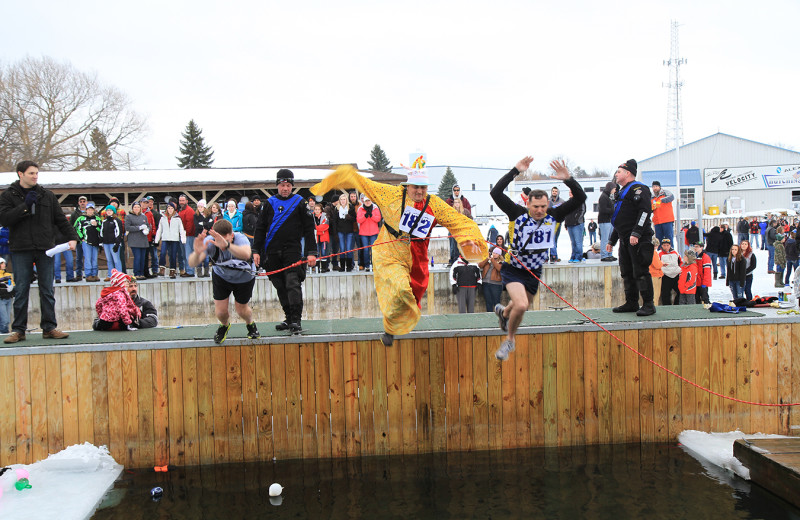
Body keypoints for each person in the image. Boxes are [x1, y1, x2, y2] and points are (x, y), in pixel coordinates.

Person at [310, 160, 486, 346]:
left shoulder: (434, 203)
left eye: (423, 188)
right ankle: (391, 329)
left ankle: (392, 327)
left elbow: (458, 221)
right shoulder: (391, 195)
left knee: (412, 294)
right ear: (407, 186)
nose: (419, 192)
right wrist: (338, 178)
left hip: (416, 257)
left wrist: (470, 239)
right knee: (401, 288)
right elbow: (364, 183)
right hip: (390, 252)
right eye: (415, 187)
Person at [491, 157, 586, 361]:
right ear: (528, 204)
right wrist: (515, 170)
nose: (540, 211)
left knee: (519, 307)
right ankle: (509, 340)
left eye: (543, 206)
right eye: (536, 207)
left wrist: (568, 178)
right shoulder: (516, 214)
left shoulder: (554, 215)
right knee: (522, 305)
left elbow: (580, 197)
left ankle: (505, 313)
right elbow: (495, 193)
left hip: (535, 271)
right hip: (514, 267)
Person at [0, 160, 77, 343]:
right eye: (31, 173)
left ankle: (49, 327)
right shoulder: (8, 195)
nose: (35, 176)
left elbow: (60, 219)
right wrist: (25, 206)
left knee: (47, 289)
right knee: (20, 290)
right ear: (20, 174)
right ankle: (19, 330)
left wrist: (72, 237)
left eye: (36, 173)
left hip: (45, 248)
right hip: (21, 248)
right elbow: (5, 219)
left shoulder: (46, 195)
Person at [253, 169, 318, 333]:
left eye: (288, 185)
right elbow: (260, 229)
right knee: (280, 286)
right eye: (282, 185)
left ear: (292, 186)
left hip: (292, 250)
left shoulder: (300, 202)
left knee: (292, 284)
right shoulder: (269, 203)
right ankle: (288, 319)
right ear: (277, 185)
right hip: (272, 252)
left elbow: (310, 229)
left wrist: (312, 252)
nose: (285, 188)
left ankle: (296, 320)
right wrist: (256, 251)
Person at [189, 219, 259, 343]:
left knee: (241, 309)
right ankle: (225, 325)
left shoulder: (240, 238)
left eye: (225, 240)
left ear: (232, 235)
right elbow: (192, 263)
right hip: (222, 277)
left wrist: (227, 245)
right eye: (218, 241)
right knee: (221, 312)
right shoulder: (210, 242)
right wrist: (197, 253)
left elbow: (247, 254)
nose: (219, 244)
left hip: (244, 278)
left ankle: (250, 323)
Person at [605, 159, 656, 316]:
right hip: (624, 237)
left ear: (628, 173)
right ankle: (632, 302)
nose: (616, 174)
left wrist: (637, 233)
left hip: (638, 238)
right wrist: (612, 240)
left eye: (618, 172)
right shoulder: (622, 191)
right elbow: (620, 218)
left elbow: (644, 212)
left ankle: (648, 304)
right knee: (626, 271)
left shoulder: (639, 189)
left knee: (640, 271)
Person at [91, 269, 158, 330]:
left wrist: (135, 322)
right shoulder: (110, 301)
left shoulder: (144, 303)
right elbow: (97, 321)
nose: (133, 289)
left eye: (135, 286)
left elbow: (154, 320)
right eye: (130, 286)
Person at [155, 202, 186, 279]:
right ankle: (162, 268)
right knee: (162, 253)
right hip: (165, 238)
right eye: (169, 208)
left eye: (172, 208)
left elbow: (181, 229)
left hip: (174, 239)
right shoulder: (163, 218)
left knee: (173, 255)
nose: (170, 210)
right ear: (167, 209)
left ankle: (172, 270)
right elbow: (159, 229)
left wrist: (183, 239)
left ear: (174, 209)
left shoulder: (177, 218)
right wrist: (157, 239)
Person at [74, 202, 102, 282]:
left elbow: (101, 229)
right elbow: (76, 228)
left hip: (96, 242)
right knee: (87, 258)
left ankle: (95, 274)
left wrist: (96, 225)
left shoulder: (98, 219)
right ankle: (88, 275)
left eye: (91, 210)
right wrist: (81, 238)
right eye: (88, 210)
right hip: (86, 241)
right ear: (86, 210)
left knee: (94, 259)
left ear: (94, 210)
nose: (90, 211)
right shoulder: (80, 218)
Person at [446, 185, 473, 265]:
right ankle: (453, 259)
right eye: (455, 190)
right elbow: (445, 215)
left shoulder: (465, 202)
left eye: (458, 190)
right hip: (453, 229)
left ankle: (464, 258)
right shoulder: (449, 202)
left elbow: (470, 216)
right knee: (452, 244)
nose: (456, 192)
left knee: (463, 244)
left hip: (463, 229)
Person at [125, 201, 150, 280]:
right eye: (135, 207)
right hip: (134, 241)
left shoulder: (144, 217)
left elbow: (148, 225)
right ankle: (136, 273)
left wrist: (147, 229)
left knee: (143, 258)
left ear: (140, 208)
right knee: (137, 257)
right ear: (132, 208)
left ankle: (142, 273)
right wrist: (138, 228)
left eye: (138, 207)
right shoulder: (129, 217)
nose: (136, 208)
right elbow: (128, 227)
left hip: (143, 240)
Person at [356, 195, 382, 271]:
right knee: (366, 250)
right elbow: (359, 220)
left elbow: (378, 219)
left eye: (369, 201)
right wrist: (365, 216)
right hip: (364, 233)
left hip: (373, 232)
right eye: (366, 201)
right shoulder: (360, 209)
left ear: (371, 201)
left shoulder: (375, 208)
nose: (367, 202)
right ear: (364, 201)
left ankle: (374, 265)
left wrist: (371, 215)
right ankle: (367, 265)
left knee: (373, 249)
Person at [100, 205, 124, 281]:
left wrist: (117, 243)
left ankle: (119, 275)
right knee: (109, 260)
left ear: (113, 212)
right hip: (106, 243)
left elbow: (119, 232)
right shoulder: (104, 221)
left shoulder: (116, 221)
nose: (109, 212)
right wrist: (101, 242)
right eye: (107, 210)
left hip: (114, 243)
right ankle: (110, 275)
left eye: (110, 210)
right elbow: (101, 232)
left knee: (116, 259)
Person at [478, 247, 504, 312]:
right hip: (486, 283)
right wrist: (487, 259)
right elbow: (480, 265)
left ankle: (498, 316)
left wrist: (492, 260)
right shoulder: (488, 261)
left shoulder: (501, 262)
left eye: (496, 253)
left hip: (496, 285)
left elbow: (499, 269)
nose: (494, 254)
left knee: (496, 302)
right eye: (493, 252)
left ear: (499, 255)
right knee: (488, 302)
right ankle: (489, 316)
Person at [193, 199, 213, 278]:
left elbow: (211, 224)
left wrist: (204, 225)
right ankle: (199, 271)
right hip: (198, 236)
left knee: (206, 254)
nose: (200, 208)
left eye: (201, 207)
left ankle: (206, 271)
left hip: (207, 236)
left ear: (204, 207)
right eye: (198, 207)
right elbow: (197, 225)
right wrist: (206, 224)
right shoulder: (196, 216)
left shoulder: (209, 215)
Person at [69, 195, 88, 281]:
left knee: (89, 258)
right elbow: (71, 226)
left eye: (84, 201)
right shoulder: (74, 214)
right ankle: (79, 274)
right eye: (81, 201)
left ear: (86, 203)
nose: (82, 203)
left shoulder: (92, 212)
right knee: (79, 257)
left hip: (89, 239)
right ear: (78, 203)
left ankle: (89, 274)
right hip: (79, 239)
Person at [564, 189, 586, 263]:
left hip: (577, 224)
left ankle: (579, 256)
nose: (570, 194)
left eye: (572, 192)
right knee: (573, 242)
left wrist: (576, 220)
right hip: (570, 224)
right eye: (569, 192)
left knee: (578, 241)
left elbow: (582, 211)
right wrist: (566, 223)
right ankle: (573, 256)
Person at [178, 194, 196, 277]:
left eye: (183, 200)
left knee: (188, 254)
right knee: (184, 254)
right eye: (180, 200)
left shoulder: (189, 210)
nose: (181, 202)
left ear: (187, 201)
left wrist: (186, 233)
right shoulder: (180, 210)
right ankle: (187, 270)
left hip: (188, 235)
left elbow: (190, 224)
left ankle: (190, 271)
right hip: (182, 235)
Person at [658, 238, 681, 305]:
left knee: (680, 291)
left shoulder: (675, 253)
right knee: (665, 293)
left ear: (670, 245)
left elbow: (680, 262)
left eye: (667, 245)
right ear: (662, 246)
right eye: (664, 245)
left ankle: (676, 305)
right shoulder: (659, 253)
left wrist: (680, 270)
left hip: (676, 275)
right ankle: (667, 306)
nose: (666, 247)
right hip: (666, 276)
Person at [598, 181, 616, 262]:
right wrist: (612, 210)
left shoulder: (609, 196)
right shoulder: (603, 197)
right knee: (605, 239)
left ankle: (609, 254)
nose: (615, 190)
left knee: (610, 239)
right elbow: (602, 209)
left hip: (610, 221)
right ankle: (604, 255)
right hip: (604, 221)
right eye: (614, 189)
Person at [547, 186, 566, 263]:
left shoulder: (561, 201)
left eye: (556, 191)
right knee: (551, 239)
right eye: (553, 191)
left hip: (558, 223)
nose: (554, 192)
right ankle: (553, 255)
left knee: (555, 240)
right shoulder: (548, 201)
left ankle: (554, 255)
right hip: (550, 223)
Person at [313, 204, 331, 273]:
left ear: (321, 210)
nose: (317, 211)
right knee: (316, 252)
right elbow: (312, 226)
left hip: (323, 237)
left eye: (318, 209)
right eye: (316, 209)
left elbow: (325, 226)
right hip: (316, 237)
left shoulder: (325, 216)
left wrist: (317, 229)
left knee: (324, 253)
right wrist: (320, 230)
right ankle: (317, 267)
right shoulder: (312, 217)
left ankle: (324, 268)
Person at [0, 258, 14, 333]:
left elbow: (12, 283)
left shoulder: (8, 274)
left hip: (8, 297)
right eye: (2, 263)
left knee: (7, 319)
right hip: (1, 299)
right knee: (4, 320)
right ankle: (3, 332)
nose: (4, 265)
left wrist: (12, 288)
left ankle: (4, 332)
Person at [649, 237, 663, 306]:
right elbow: (657, 265)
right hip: (655, 275)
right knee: (655, 296)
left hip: (649, 275)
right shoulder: (653, 253)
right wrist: (662, 263)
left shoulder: (646, 251)